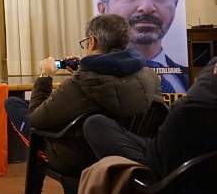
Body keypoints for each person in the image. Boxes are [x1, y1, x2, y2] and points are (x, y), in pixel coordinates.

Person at [4, 14, 161, 194]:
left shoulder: (81, 85)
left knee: (14, 105)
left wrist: (45, 76)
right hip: (124, 150)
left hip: (77, 157)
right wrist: (84, 67)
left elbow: (36, 119)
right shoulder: (149, 75)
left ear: (92, 41)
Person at [83, 56, 217, 180]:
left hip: (168, 168)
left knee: (93, 125)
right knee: (95, 123)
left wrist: (81, 72)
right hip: (163, 144)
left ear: (92, 42)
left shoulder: (194, 109)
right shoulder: (148, 73)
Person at [97, 0, 189, 93]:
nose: (147, 7)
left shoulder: (188, 79)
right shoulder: (93, 81)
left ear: (175, 5)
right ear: (103, 10)